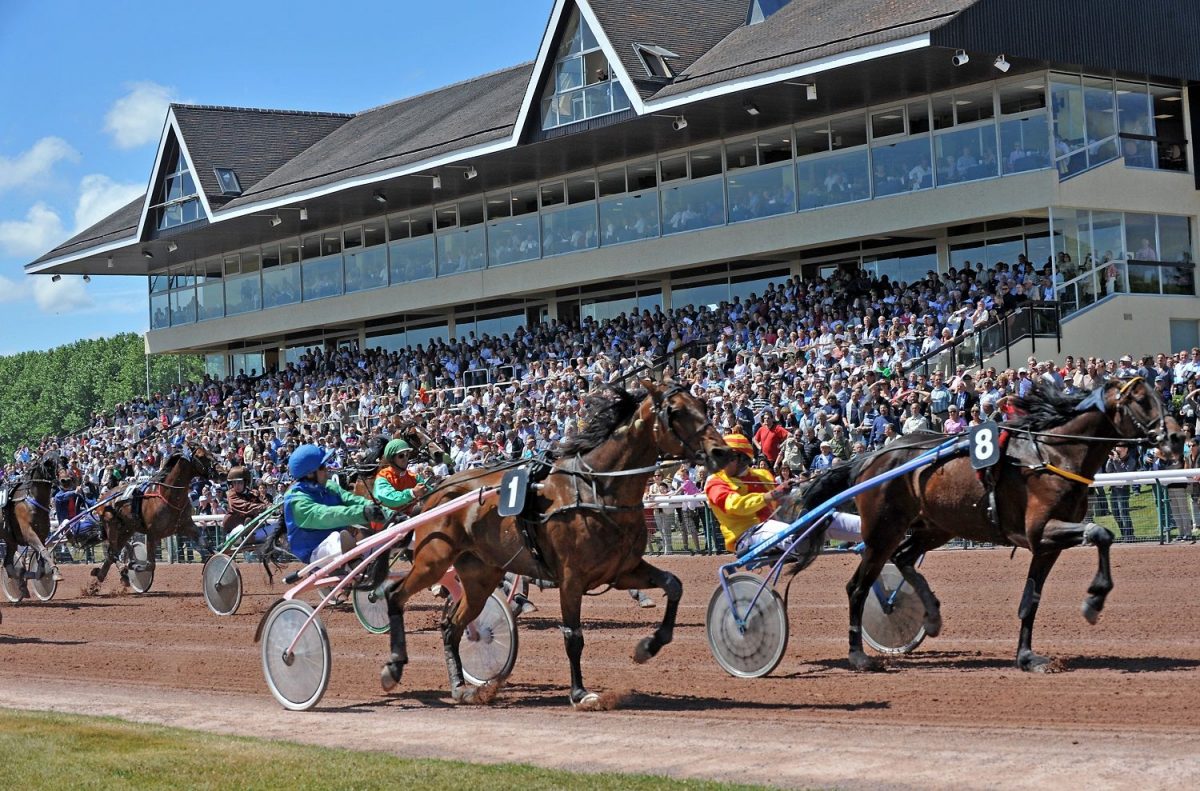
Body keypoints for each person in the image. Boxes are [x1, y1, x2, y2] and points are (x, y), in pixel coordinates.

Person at [283, 444, 385, 565]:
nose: (327, 470)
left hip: (342, 545)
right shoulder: (296, 501)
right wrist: (362, 513)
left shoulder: (330, 486)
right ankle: (353, 562)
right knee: (336, 538)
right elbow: (326, 515)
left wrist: (389, 514)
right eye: (322, 467)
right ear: (310, 474)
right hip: (315, 552)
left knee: (381, 538)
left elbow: (355, 500)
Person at [222, 466, 272, 542]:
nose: (236, 485)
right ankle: (248, 534)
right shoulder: (231, 494)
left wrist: (273, 507)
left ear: (245, 482)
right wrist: (264, 507)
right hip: (233, 531)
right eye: (234, 483)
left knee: (276, 527)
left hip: (253, 530)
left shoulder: (254, 493)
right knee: (241, 527)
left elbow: (266, 503)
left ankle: (250, 535)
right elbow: (245, 506)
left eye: (239, 482)